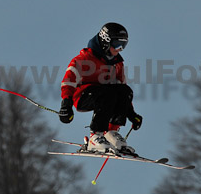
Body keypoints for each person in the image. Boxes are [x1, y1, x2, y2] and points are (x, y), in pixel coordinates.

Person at [58, 22, 143, 154]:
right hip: (83, 96)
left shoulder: (117, 63)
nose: (119, 49)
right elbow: (68, 81)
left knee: (124, 91)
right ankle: (95, 135)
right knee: (107, 93)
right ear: (106, 41)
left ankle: (111, 132)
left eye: (123, 45)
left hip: (105, 95)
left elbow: (121, 91)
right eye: (117, 44)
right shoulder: (85, 58)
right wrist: (66, 104)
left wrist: (131, 114)